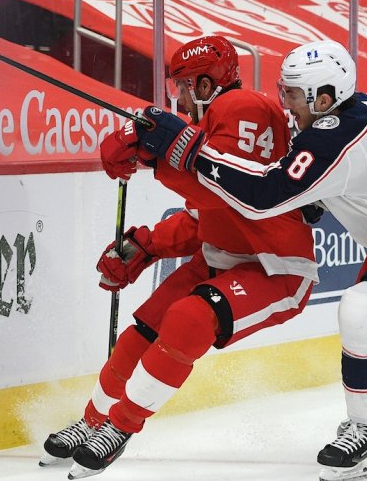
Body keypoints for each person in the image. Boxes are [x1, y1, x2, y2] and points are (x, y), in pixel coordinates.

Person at [121, 39, 367, 481]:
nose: (284, 101)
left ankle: (365, 431)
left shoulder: (336, 135)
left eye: (292, 93)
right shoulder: (343, 117)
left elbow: (262, 197)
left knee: (362, 311)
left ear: (324, 98)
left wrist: (187, 150)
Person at [38, 35, 319, 479]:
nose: (180, 98)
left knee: (189, 318)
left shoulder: (242, 107)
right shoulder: (216, 120)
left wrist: (154, 156)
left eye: (184, 87)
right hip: (221, 258)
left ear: (207, 85)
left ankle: (121, 424)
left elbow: (226, 193)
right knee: (141, 331)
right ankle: (92, 421)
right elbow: (202, 212)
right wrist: (146, 246)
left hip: (276, 267)